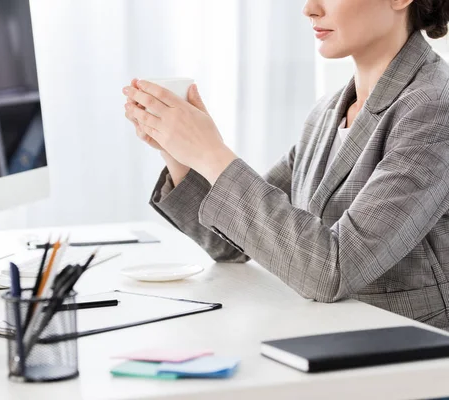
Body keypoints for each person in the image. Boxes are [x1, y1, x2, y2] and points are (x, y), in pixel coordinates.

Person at [122, 0, 449, 329]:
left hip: (408, 357)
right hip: (325, 336)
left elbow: (334, 270)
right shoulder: (328, 112)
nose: (309, 8)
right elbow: (228, 243)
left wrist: (212, 154)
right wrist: (181, 154)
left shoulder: (434, 107)